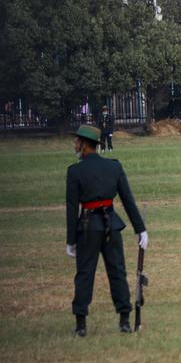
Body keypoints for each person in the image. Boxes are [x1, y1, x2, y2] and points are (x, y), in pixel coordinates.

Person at [65, 124, 148, 337]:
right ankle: (124, 320)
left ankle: (81, 324)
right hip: (111, 224)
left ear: (84, 145)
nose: (75, 144)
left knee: (85, 274)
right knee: (117, 272)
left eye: (77, 141)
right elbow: (128, 200)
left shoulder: (75, 171)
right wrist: (141, 229)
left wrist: (71, 240)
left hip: (88, 228)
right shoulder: (113, 167)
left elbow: (72, 209)